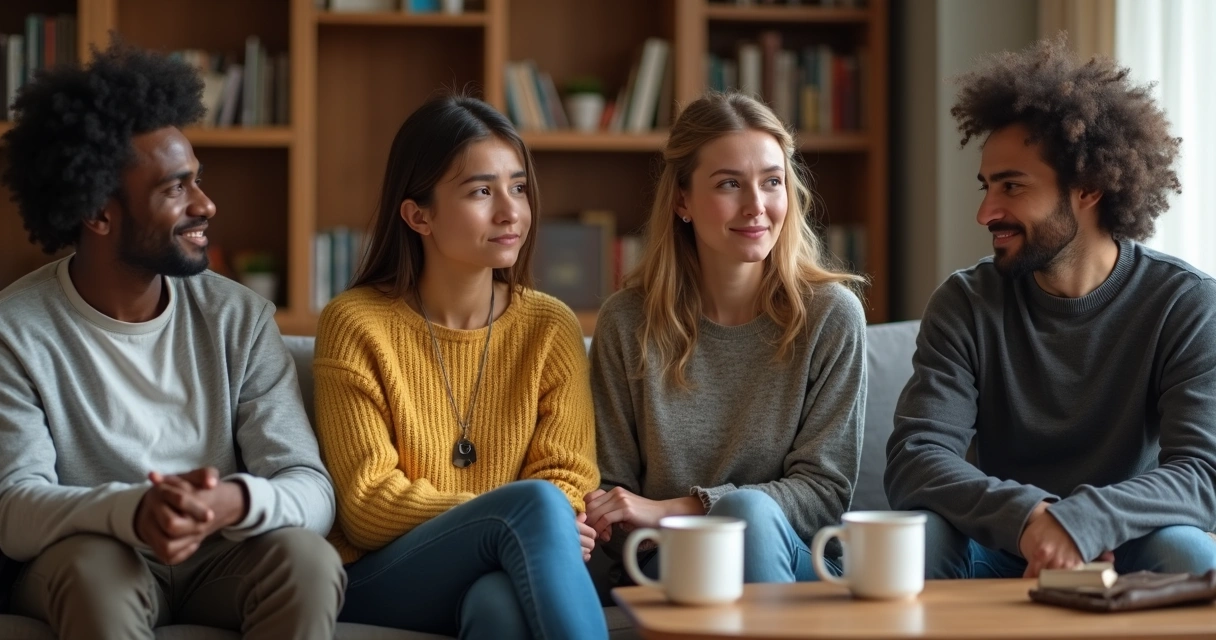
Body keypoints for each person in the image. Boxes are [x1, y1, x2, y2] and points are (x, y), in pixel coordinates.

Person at [0, 43, 343, 639]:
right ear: (99, 215)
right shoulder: (15, 331)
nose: (205, 204)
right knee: (94, 571)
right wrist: (135, 512)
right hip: (96, 551)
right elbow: (15, 509)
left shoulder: (240, 318)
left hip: (218, 555)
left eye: (198, 181)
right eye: (175, 189)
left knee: (308, 562)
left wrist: (233, 503)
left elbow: (309, 486)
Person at [884, 36, 1216, 579]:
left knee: (1189, 552)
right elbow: (917, 459)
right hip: (1001, 544)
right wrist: (1031, 518)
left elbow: (1203, 474)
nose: (986, 212)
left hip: (1124, 545)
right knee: (922, 537)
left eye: (1012, 187)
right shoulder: (966, 303)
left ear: (1087, 189)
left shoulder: (1185, 302)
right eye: (986, 187)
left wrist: (1083, 521)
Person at [312, 94, 607, 639]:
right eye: (481, 191)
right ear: (418, 214)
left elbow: (567, 478)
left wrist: (526, 521)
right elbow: (367, 503)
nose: (511, 211)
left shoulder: (550, 326)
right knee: (534, 508)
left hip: (501, 567)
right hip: (381, 576)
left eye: (518, 187)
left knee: (498, 606)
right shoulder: (355, 323)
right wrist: (513, 519)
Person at [586, 91, 868, 587]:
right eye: (729, 184)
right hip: (671, 564)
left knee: (752, 517)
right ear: (682, 200)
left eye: (772, 182)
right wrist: (668, 526)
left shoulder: (831, 316)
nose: (756, 206)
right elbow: (614, 499)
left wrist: (685, 507)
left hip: (789, 559)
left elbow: (823, 492)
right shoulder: (626, 322)